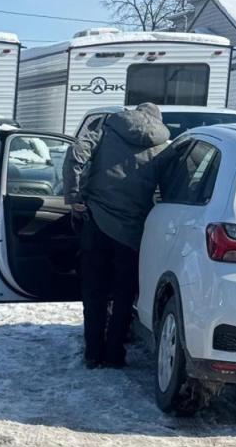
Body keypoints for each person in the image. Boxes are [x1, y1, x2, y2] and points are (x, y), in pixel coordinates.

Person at [63, 103, 171, 369]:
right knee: (124, 293)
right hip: (133, 230)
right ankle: (114, 354)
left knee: (94, 290)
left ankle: (92, 352)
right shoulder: (164, 146)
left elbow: (76, 152)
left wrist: (74, 195)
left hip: (96, 221)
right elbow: (170, 188)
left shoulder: (107, 128)